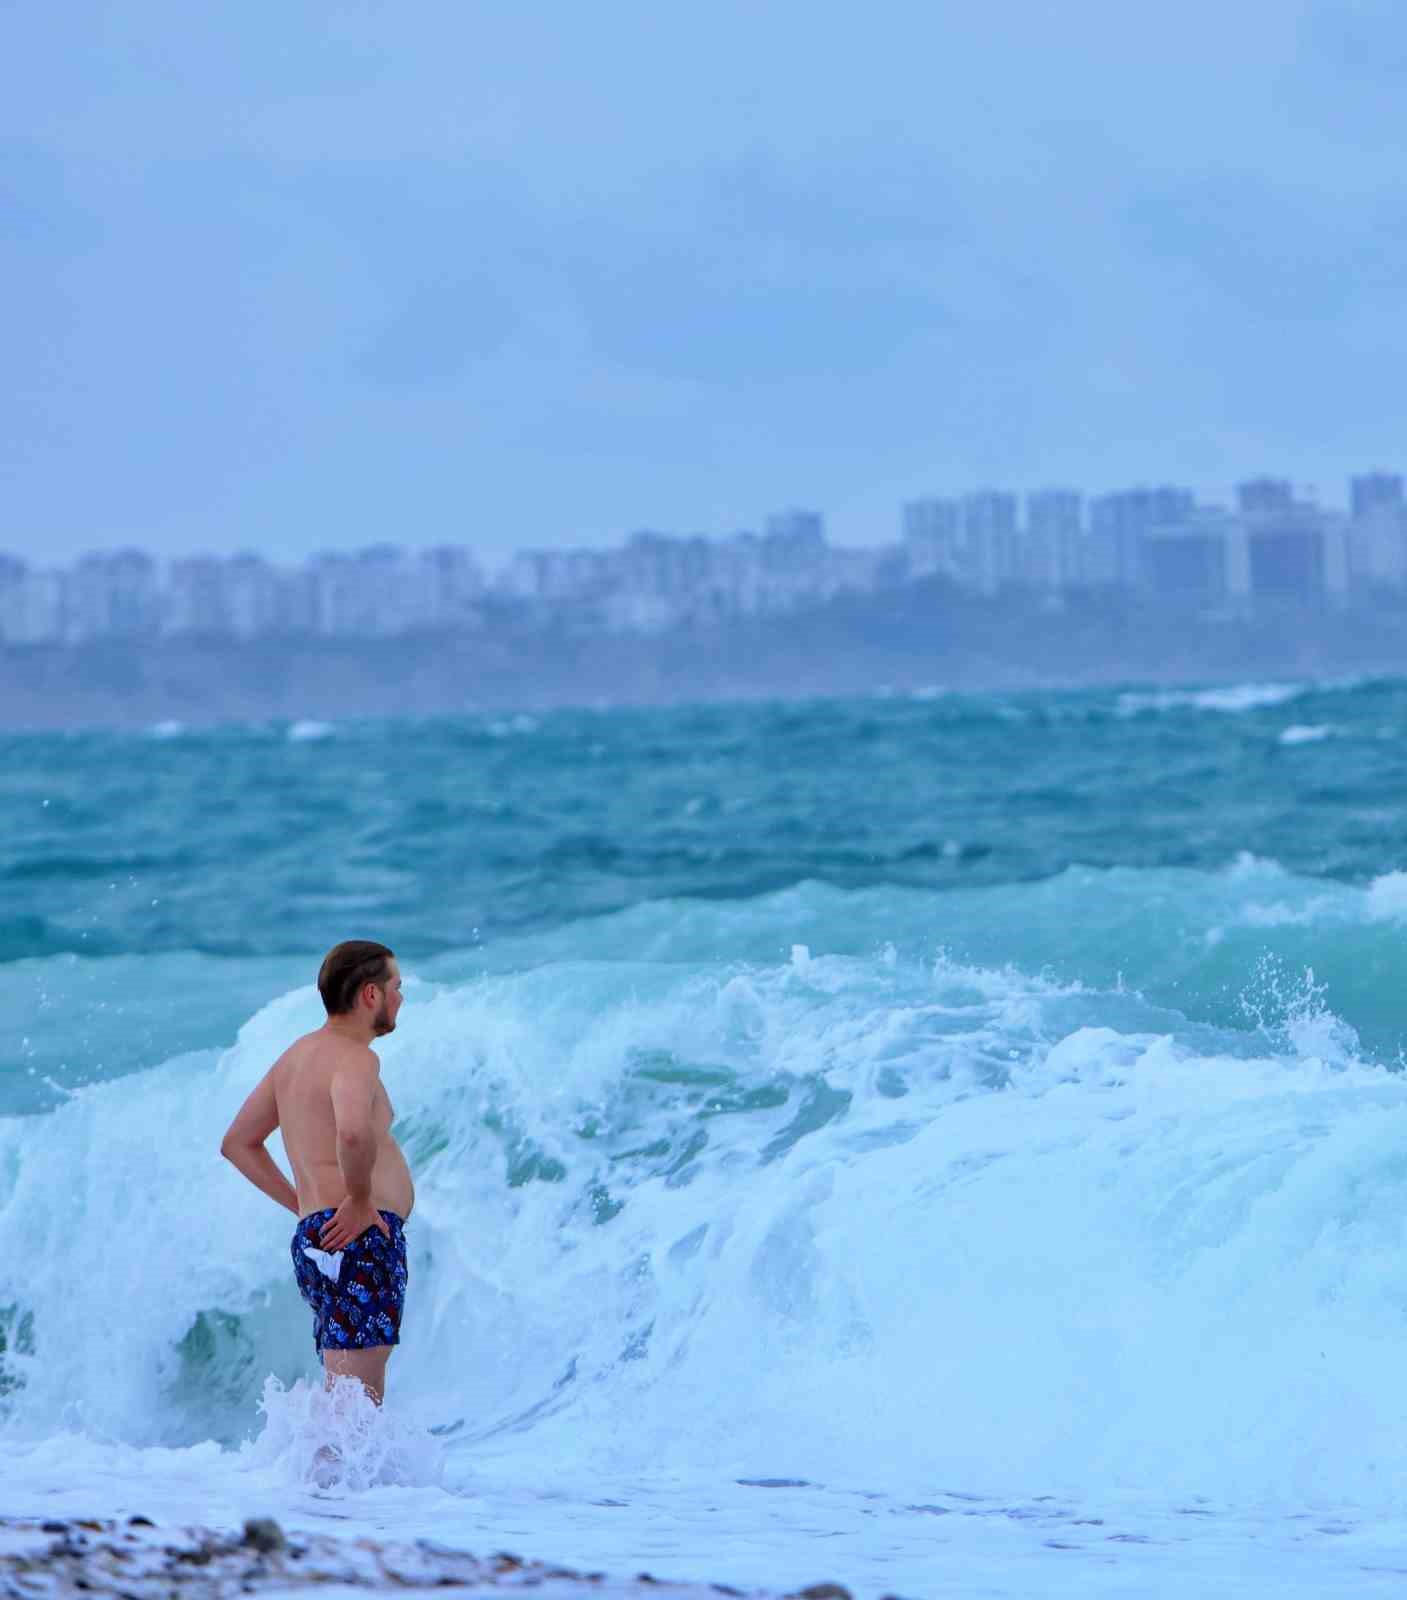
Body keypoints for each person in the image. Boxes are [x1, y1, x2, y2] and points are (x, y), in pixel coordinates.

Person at [220, 940, 413, 1405]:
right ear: (371, 995)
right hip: (359, 1238)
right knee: (359, 1402)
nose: (400, 998)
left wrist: (306, 1209)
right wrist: (361, 1201)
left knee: (344, 1397)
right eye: (396, 987)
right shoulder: (356, 1057)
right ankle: (340, 1480)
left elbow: (238, 1144)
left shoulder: (294, 1058)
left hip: (321, 1238)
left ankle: (320, 1478)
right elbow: (351, 1132)